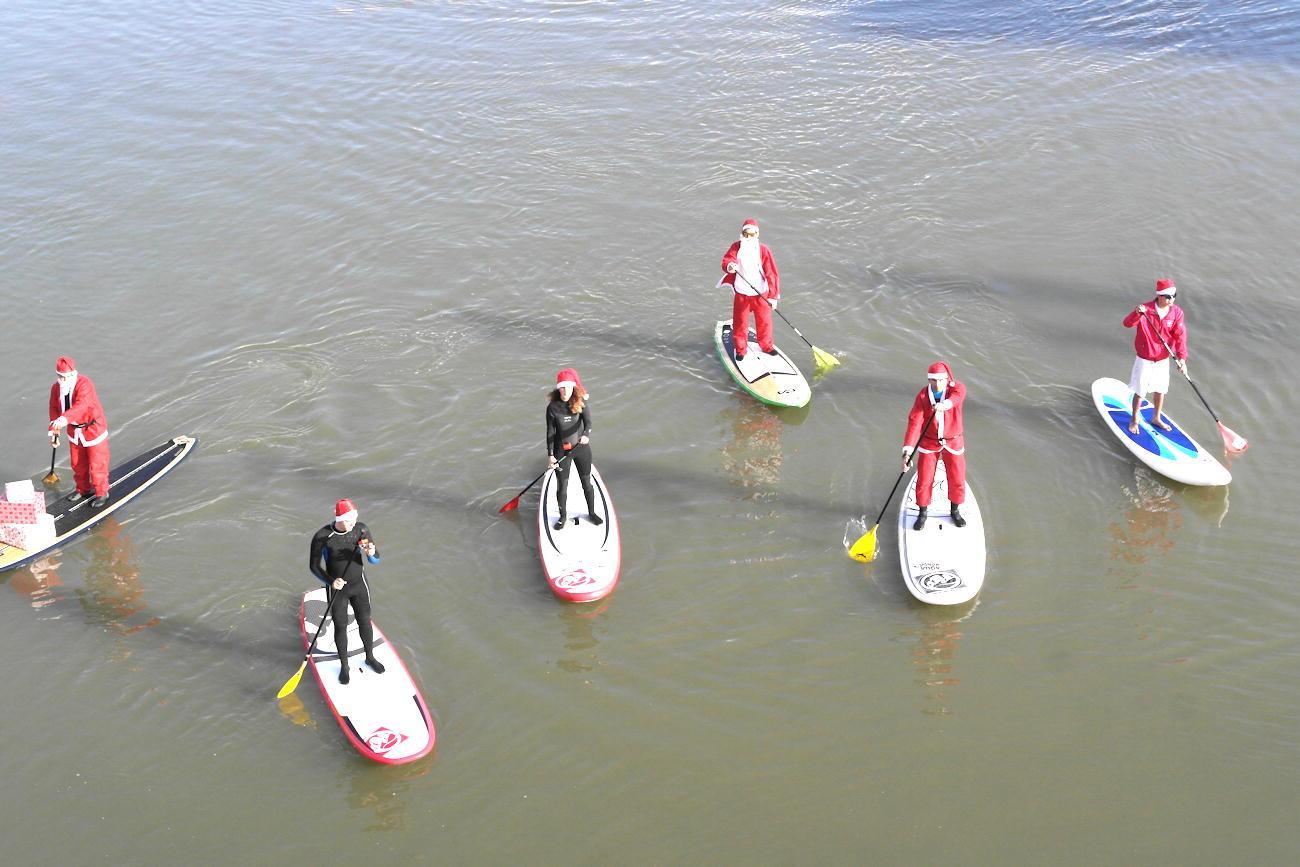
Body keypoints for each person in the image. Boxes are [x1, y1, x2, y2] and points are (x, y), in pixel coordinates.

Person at [308, 498, 383, 685]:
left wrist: (370, 553)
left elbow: (375, 559)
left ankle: (370, 657)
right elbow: (314, 566)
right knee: (340, 626)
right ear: (339, 519)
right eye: (349, 520)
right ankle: (344, 666)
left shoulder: (361, 530)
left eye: (355, 518)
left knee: (365, 621)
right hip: (337, 589)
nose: (353, 523)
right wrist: (331, 582)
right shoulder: (323, 537)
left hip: (359, 585)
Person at [902, 362, 967, 530]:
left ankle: (955, 510)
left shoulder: (956, 388)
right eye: (933, 380)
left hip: (953, 441)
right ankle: (922, 512)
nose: (937, 384)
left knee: (957, 478)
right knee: (924, 479)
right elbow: (915, 422)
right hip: (929, 442)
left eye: (941, 380)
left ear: (947, 379)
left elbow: (957, 397)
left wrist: (945, 405)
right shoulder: (923, 396)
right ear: (928, 380)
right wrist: (907, 452)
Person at [1122, 278, 1188, 434]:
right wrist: (1136, 313)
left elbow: (1180, 337)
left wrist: (1182, 359)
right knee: (1140, 391)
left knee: (1161, 389)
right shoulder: (1145, 309)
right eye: (1168, 297)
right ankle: (1134, 419)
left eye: (1174, 296)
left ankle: (1156, 418)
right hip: (1145, 358)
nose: (1172, 299)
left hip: (1163, 359)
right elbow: (1127, 323)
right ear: (1159, 296)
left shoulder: (1177, 313)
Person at [47, 356, 111, 508]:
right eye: (59, 376)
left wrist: (63, 420)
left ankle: (102, 492)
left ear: (73, 374)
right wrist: (55, 431)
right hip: (74, 430)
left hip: (93, 428)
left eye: (65, 377)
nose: (62, 380)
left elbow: (82, 405)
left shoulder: (84, 384)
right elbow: (54, 408)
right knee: (77, 463)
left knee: (97, 463)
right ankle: (83, 489)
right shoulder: (56, 388)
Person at [545, 368, 601, 531]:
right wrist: (550, 455)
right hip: (561, 452)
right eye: (562, 388)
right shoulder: (552, 408)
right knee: (562, 487)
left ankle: (592, 513)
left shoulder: (580, 402)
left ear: (573, 388)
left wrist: (586, 435)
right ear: (558, 389)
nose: (565, 391)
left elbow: (588, 423)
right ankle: (562, 517)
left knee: (587, 483)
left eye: (567, 388)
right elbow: (550, 432)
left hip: (581, 449)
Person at [718, 218, 781, 362]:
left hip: (761, 293)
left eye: (752, 235)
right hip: (742, 293)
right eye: (746, 234)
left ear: (757, 234)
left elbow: (771, 273)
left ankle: (766, 346)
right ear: (742, 234)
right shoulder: (736, 247)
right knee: (740, 323)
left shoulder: (763, 250)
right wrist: (730, 266)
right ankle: (740, 350)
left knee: (764, 322)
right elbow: (727, 260)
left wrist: (773, 297)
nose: (748, 237)